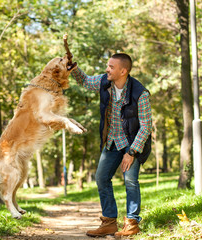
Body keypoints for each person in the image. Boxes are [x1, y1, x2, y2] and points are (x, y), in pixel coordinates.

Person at [71, 53, 152, 237]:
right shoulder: (104, 81)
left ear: (123, 71)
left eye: (111, 67)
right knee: (101, 178)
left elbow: (146, 127)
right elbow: (84, 81)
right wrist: (73, 68)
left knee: (130, 180)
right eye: (108, 66)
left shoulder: (140, 93)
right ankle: (109, 222)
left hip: (133, 143)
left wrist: (131, 152)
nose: (107, 69)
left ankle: (132, 223)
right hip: (112, 141)